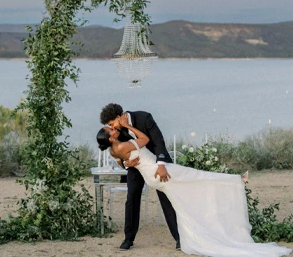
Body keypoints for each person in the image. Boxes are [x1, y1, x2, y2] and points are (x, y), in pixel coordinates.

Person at [96, 114, 292, 257]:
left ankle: (182, 235)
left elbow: (122, 158)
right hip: (156, 171)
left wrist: (125, 162)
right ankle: (235, 181)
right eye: (111, 129)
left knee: (187, 189)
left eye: (112, 125)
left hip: (154, 171)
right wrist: (130, 131)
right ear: (112, 137)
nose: (114, 128)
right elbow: (145, 140)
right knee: (195, 178)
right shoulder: (122, 143)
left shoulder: (116, 147)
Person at [99, 103, 180, 250]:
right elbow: (120, 155)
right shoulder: (117, 133)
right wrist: (127, 163)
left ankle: (179, 237)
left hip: (157, 162)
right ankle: (128, 239)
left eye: (112, 124)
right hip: (136, 167)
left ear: (118, 117)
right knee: (131, 199)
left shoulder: (144, 117)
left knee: (166, 198)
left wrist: (161, 164)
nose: (113, 128)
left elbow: (158, 141)